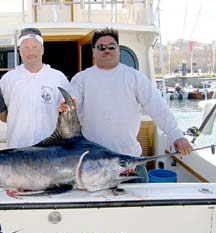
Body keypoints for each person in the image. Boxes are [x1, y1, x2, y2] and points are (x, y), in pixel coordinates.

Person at [71, 27, 192, 182]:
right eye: (101, 47)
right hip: (93, 169)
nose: (106, 50)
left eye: (111, 46)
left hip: (130, 163)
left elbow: (158, 109)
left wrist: (177, 135)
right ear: (94, 51)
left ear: (118, 50)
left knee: (141, 204)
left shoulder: (135, 78)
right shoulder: (81, 79)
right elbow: (71, 102)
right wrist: (68, 105)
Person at [0, 27, 75, 148]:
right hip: (18, 150)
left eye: (35, 47)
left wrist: (66, 108)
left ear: (42, 49)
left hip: (50, 151)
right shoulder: (8, 79)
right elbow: (1, 112)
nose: (31, 52)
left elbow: (69, 110)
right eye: (26, 48)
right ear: (19, 50)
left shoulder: (58, 77)